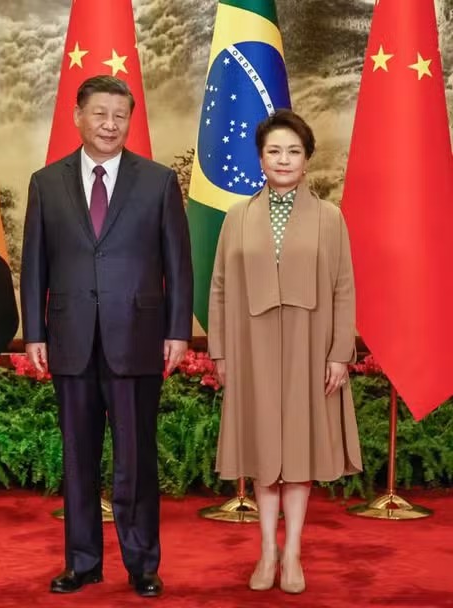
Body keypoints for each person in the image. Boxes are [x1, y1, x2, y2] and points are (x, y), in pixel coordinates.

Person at [20, 75, 193, 598]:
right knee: (78, 459)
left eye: (120, 116)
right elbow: (34, 264)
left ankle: (142, 564)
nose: (110, 125)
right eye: (100, 114)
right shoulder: (46, 183)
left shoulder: (158, 181)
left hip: (137, 337)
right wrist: (34, 333)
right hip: (70, 338)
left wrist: (178, 331)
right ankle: (82, 562)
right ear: (78, 116)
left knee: (135, 459)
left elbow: (178, 264)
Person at [208, 109, 363, 594]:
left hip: (309, 347)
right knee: (263, 451)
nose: (283, 159)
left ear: (306, 158)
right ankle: (266, 552)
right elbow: (219, 288)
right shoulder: (237, 217)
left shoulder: (330, 218)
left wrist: (339, 353)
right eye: (274, 150)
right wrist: (220, 353)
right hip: (250, 349)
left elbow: (343, 289)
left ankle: (292, 552)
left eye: (293, 151)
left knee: (297, 449)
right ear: (260, 158)